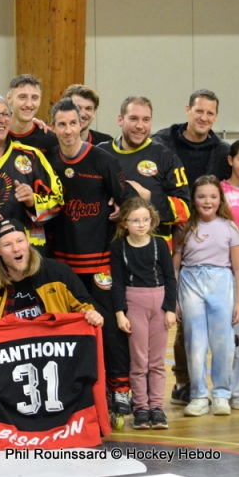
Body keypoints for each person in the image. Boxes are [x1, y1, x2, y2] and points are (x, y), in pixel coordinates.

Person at [47, 97, 134, 417]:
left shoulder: (103, 160)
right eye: (62, 124)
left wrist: (118, 209)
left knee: (110, 330)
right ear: (52, 126)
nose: (69, 130)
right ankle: (75, 392)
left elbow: (129, 202)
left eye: (74, 123)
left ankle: (121, 390)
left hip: (100, 263)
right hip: (62, 264)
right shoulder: (47, 160)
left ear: (82, 123)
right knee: (66, 332)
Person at [152, 89, 229, 406]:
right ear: (188, 110)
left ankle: (222, 387)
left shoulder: (222, 150)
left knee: (216, 321)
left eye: (210, 113)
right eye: (199, 111)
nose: (204, 118)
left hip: (210, 241)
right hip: (170, 235)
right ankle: (184, 381)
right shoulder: (162, 142)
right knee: (180, 316)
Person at [0, 93, 63, 289]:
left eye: (5, 114)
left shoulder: (31, 156)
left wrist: (33, 202)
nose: (1, 120)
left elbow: (58, 200)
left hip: (31, 257)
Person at [173, 175, 239, 417]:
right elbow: (176, 266)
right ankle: (199, 396)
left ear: (220, 199)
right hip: (191, 283)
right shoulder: (185, 227)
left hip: (222, 282)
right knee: (195, 342)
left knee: (223, 343)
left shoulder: (230, 227)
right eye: (201, 196)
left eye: (213, 196)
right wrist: (175, 299)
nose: (207, 201)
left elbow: (237, 267)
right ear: (193, 199)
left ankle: (221, 394)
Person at [110, 198, 177, 430]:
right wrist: (120, 313)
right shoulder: (119, 247)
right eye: (135, 220)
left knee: (157, 362)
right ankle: (141, 408)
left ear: (152, 221)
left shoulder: (160, 244)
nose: (141, 224)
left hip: (159, 303)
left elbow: (170, 277)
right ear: (124, 223)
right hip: (134, 303)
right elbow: (116, 282)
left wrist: (170, 309)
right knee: (139, 361)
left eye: (145, 220)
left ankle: (157, 408)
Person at [0, 218, 103, 325]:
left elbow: (87, 305)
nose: (16, 249)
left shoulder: (58, 272)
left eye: (20, 241)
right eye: (7, 245)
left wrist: (93, 314)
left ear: (28, 241)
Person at [98, 96, 191, 246]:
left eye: (146, 120)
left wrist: (148, 196)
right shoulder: (100, 153)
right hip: (109, 251)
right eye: (133, 119)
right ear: (120, 120)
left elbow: (185, 210)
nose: (140, 126)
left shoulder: (166, 157)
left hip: (155, 253)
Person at [220, 140, 239, 410]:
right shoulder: (220, 191)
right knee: (232, 337)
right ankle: (229, 391)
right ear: (231, 160)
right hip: (227, 272)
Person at [5, 74, 57, 153]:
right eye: (22, 97)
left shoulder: (49, 140)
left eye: (34, 98)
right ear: (9, 98)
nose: (29, 104)